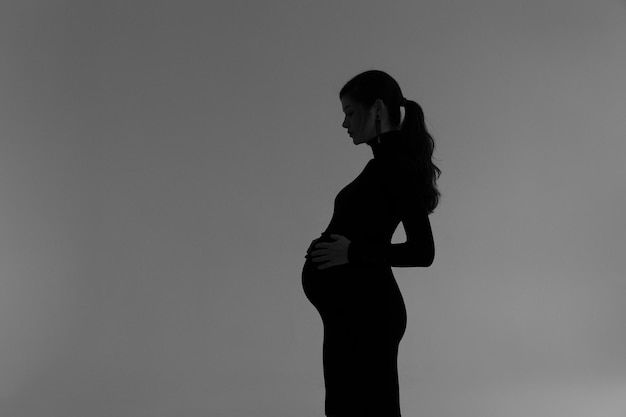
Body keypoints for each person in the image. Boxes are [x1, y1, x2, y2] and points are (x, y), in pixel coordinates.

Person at [301, 69, 440, 417]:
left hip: (368, 314)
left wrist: (351, 251)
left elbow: (423, 251)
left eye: (350, 112)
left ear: (377, 109)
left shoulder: (395, 167)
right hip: (353, 313)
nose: (344, 124)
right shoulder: (381, 165)